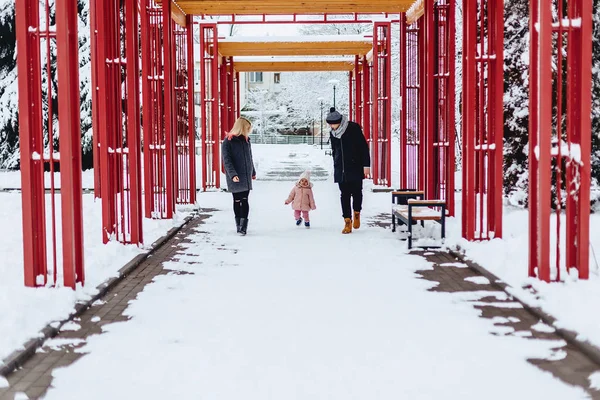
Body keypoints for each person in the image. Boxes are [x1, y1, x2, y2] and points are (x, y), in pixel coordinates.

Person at [326, 107, 371, 234]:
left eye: (333, 124)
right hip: (341, 168)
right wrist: (335, 164)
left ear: (340, 121)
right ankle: (347, 221)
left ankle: (357, 213)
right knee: (344, 195)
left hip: (355, 166)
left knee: (357, 193)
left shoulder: (353, 128)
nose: (332, 127)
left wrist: (366, 166)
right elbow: (335, 150)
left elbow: (363, 147)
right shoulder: (333, 133)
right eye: (330, 125)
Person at [222, 116, 256, 235]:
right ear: (242, 127)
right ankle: (238, 224)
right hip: (235, 175)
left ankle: (243, 227)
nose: (249, 130)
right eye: (247, 128)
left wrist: (253, 171)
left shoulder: (246, 140)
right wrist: (233, 175)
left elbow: (250, 157)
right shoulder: (228, 141)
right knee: (237, 200)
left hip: (246, 175)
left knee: (245, 199)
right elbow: (227, 160)